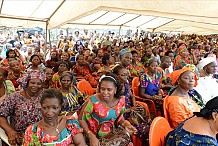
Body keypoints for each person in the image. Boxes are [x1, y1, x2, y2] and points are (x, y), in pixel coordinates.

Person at [79, 73, 137, 146]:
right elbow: (81, 119)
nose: (105, 93)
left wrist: (125, 124)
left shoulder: (120, 101)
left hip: (113, 135)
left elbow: (120, 117)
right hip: (95, 137)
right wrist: (91, 136)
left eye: (109, 90)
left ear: (115, 90)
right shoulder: (93, 101)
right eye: (102, 89)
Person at [0, 71, 45, 145]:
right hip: (20, 136)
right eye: (32, 83)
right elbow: (1, 114)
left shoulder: (45, 96)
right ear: (27, 83)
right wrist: (10, 131)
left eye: (39, 83)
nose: (35, 86)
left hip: (41, 135)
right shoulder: (14, 97)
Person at [112, 65, 151, 146]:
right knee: (141, 128)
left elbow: (132, 96)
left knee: (146, 120)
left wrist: (134, 105)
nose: (126, 77)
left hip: (130, 108)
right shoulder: (113, 88)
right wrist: (130, 109)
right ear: (116, 76)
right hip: (122, 113)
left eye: (126, 74)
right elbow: (114, 108)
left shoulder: (125, 84)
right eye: (123, 75)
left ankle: (148, 139)